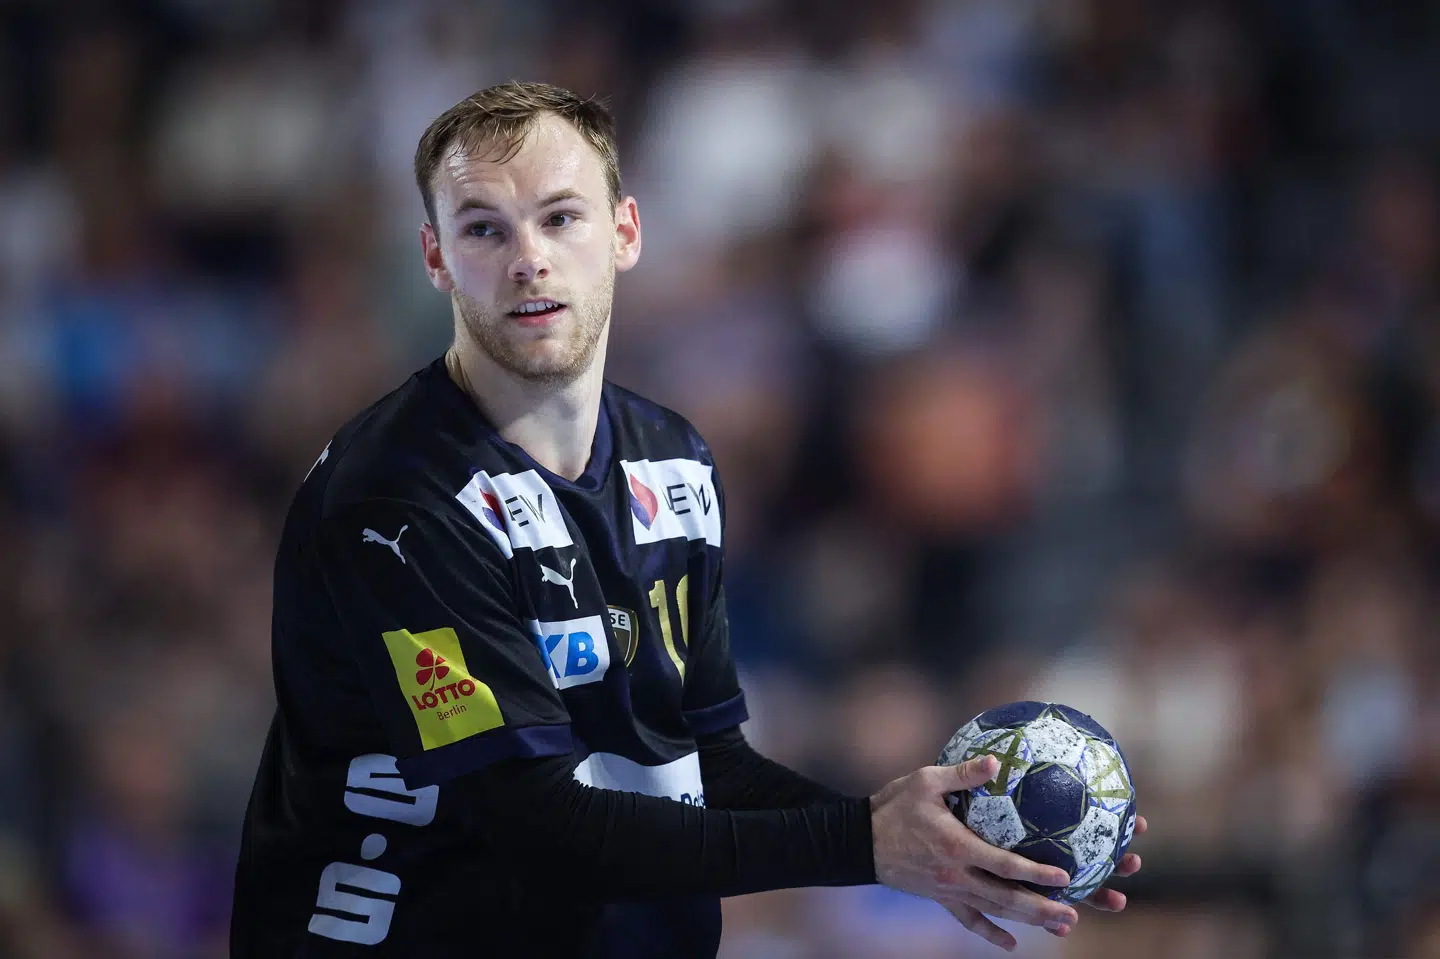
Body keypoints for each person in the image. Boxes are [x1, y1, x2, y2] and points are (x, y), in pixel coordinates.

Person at [229, 80, 1145, 957]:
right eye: (483, 228)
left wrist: (933, 844)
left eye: (560, 216)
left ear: (625, 231)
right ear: (435, 258)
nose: (527, 258)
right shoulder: (399, 499)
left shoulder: (670, 460)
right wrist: (865, 845)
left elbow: (701, 763)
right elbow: (538, 825)